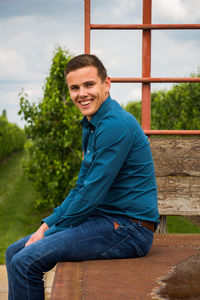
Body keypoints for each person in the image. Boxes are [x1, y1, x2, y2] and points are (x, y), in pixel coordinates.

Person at [6, 54, 159, 300]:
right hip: (104, 219)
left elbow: (90, 194)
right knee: (14, 252)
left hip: (129, 229)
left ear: (106, 84)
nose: (82, 94)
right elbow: (81, 187)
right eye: (74, 88)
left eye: (89, 85)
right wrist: (46, 225)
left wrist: (50, 230)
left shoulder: (115, 125)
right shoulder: (92, 124)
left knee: (26, 261)